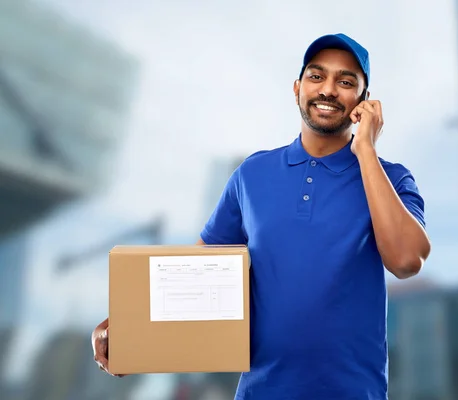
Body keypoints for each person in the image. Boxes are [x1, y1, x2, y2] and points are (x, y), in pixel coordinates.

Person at [92, 33, 431, 399]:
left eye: (346, 82)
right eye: (317, 76)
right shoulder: (252, 175)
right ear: (298, 87)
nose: (329, 90)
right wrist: (127, 331)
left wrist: (365, 150)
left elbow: (406, 260)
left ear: (365, 102)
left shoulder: (391, 178)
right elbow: (196, 278)